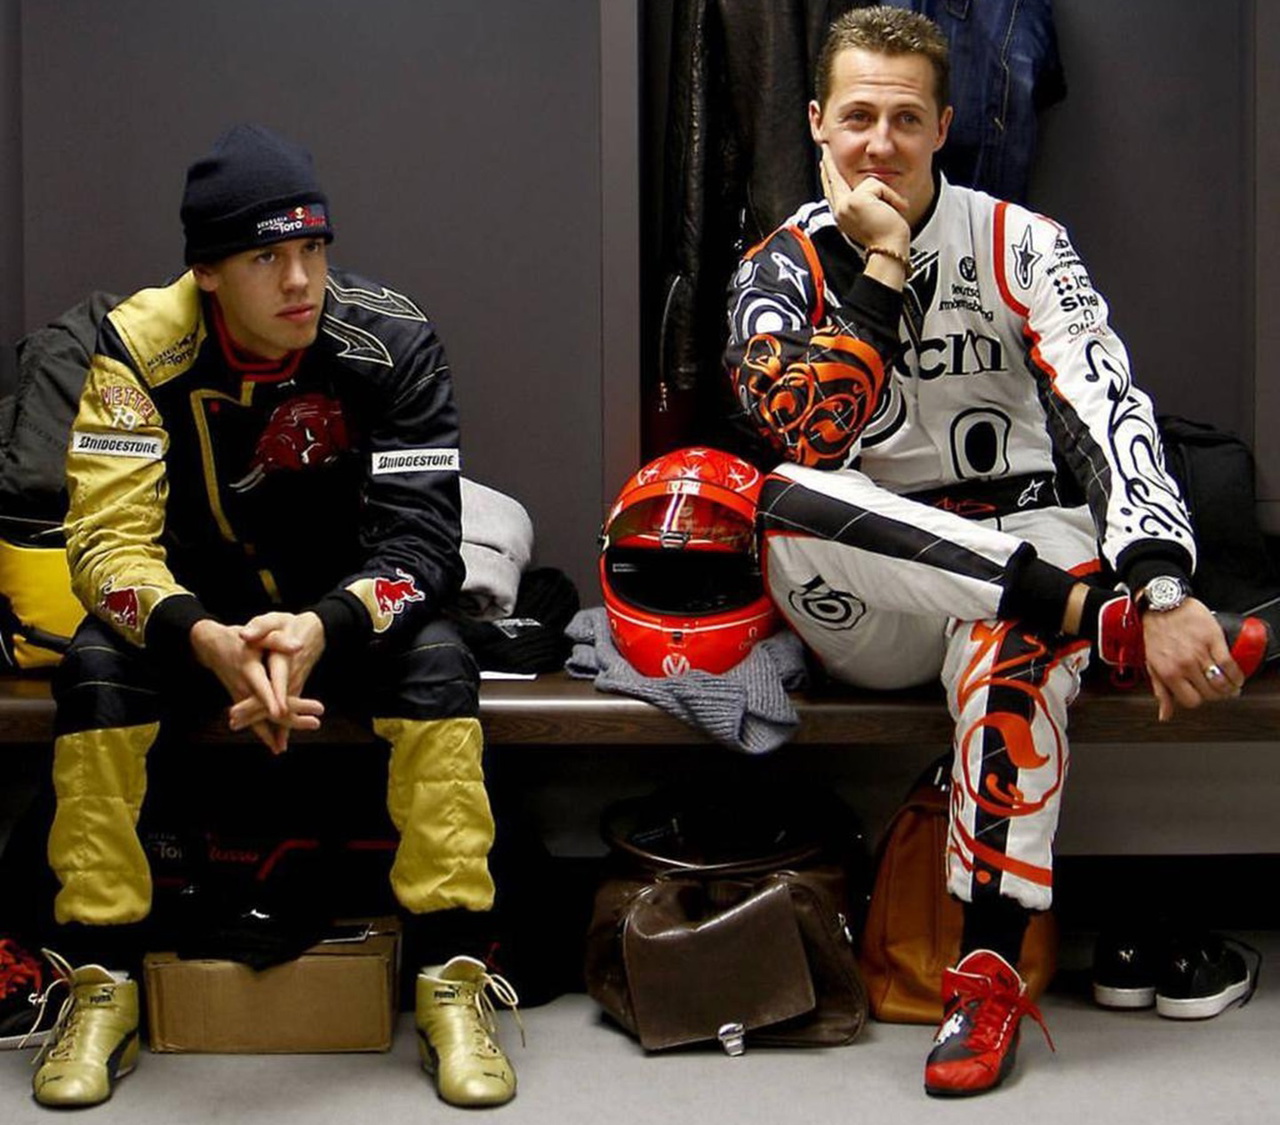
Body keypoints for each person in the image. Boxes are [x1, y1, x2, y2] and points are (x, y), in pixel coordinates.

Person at [724, 6, 1272, 1098]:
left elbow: (1105, 405)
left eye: (906, 119)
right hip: (876, 582)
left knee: (1010, 649)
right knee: (783, 497)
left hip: (1023, 544)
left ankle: (983, 977)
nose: (880, 143)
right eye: (858, 117)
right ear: (816, 121)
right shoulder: (778, 264)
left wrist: (1162, 584)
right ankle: (1098, 626)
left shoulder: (1023, 241)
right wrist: (882, 265)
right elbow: (809, 435)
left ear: (944, 126)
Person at [31, 123, 518, 1109]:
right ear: (207, 272)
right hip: (194, 621)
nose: (300, 280)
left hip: (345, 615)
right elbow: (105, 546)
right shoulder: (137, 345)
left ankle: (449, 975)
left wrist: (323, 626)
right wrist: (201, 636)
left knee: (439, 664)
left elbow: (425, 544)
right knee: (94, 672)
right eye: (266, 258)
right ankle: (101, 981)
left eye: (313, 248)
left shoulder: (392, 338)